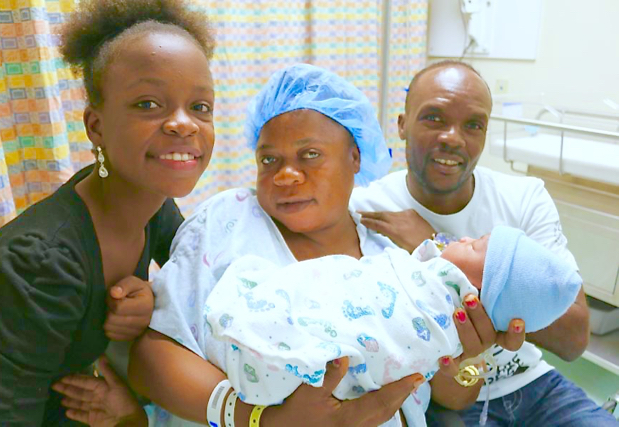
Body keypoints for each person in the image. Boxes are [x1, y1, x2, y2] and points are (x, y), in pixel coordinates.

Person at [125, 64, 524, 427]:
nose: (285, 176)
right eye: (269, 161)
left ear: (354, 157)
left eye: (309, 155)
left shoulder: (392, 262)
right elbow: (151, 359)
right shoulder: (230, 220)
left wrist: (470, 355)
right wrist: (263, 420)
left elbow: (452, 396)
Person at [0, 0, 216, 424]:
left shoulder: (153, 203)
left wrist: (154, 302)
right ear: (96, 126)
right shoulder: (41, 265)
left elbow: (200, 287)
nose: (185, 124)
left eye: (200, 106)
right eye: (148, 104)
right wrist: (130, 420)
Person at [351, 60, 616, 425]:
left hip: (535, 383)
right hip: (442, 397)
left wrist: (436, 246)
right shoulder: (367, 212)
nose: (453, 137)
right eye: (434, 118)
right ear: (401, 125)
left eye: (473, 125)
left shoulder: (523, 198)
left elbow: (573, 338)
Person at [205, 225, 581, 409]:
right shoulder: (376, 211)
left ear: (480, 289)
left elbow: (407, 343)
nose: (464, 239)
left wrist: (468, 360)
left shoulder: (445, 294)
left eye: (477, 245)